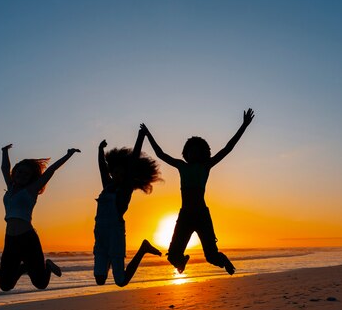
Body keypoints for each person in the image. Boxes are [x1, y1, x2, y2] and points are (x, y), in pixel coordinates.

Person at [142, 108, 255, 275]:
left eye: (197, 150)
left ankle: (224, 261)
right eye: (190, 150)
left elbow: (228, 148)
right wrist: (147, 134)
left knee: (211, 257)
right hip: (185, 215)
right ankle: (181, 261)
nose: (193, 153)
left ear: (203, 153)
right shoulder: (181, 165)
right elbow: (160, 154)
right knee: (172, 256)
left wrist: (244, 125)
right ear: (186, 152)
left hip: (202, 215)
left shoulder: (206, 166)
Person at [0, 144, 80, 291]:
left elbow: (51, 170)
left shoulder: (31, 190)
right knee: (5, 285)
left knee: (41, 284)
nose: (21, 175)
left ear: (31, 178)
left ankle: (47, 265)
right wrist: (4, 151)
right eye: (20, 172)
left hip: (27, 239)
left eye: (26, 174)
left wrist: (68, 155)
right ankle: (24, 268)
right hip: (10, 240)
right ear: (15, 171)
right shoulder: (10, 187)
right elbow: (5, 168)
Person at [94, 124, 163, 287]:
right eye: (115, 172)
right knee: (100, 279)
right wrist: (100, 150)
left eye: (121, 173)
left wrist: (141, 136)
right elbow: (103, 169)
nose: (117, 175)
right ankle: (110, 258)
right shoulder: (107, 186)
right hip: (100, 234)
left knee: (121, 281)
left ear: (125, 175)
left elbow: (133, 163)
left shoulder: (125, 189)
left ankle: (143, 249)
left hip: (115, 234)